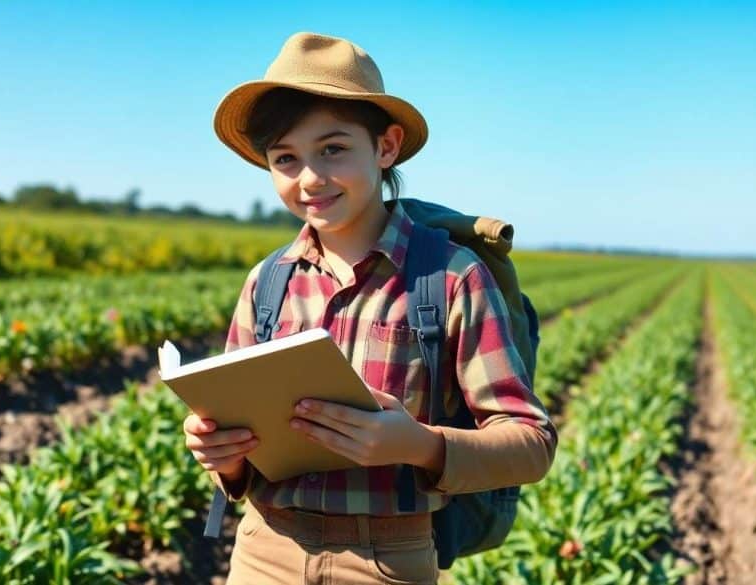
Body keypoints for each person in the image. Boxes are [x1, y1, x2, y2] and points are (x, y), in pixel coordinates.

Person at [183, 31, 558, 585]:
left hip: (388, 559)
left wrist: (421, 445)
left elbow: (531, 444)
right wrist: (220, 450)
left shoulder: (452, 277)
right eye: (286, 158)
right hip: (262, 551)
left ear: (385, 147)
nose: (309, 177)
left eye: (333, 149)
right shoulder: (267, 283)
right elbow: (236, 457)